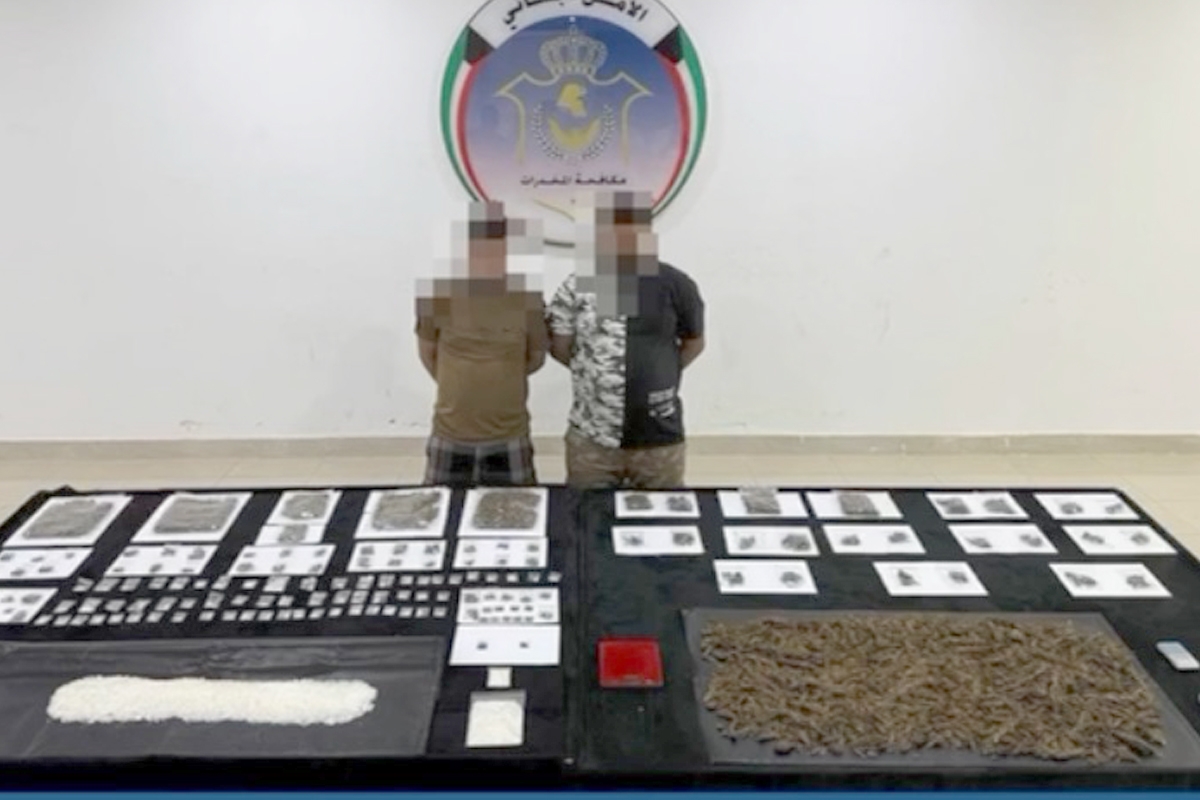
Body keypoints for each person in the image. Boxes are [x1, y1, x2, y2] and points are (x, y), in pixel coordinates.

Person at [546, 190, 706, 489]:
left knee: (662, 515)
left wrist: (660, 371)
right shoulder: (577, 285)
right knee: (587, 514)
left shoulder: (676, 284)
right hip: (593, 439)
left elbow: (694, 343)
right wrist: (596, 372)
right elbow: (559, 346)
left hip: (659, 439)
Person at [416, 201, 548, 487]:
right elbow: (428, 354)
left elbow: (535, 358)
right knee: (442, 508)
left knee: (519, 510)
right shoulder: (438, 294)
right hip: (450, 434)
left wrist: (500, 376)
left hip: (509, 435)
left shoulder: (529, 299)